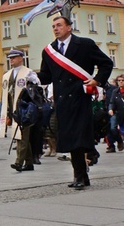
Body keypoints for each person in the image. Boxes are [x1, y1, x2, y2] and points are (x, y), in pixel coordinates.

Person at [38, 16, 113, 190]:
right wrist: (32, 76)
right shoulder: (49, 51)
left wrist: (97, 81)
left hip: (80, 97)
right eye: (54, 26)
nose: (56, 29)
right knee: (71, 138)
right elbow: (47, 76)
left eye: (59, 25)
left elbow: (106, 63)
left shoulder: (84, 44)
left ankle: (79, 175)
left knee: (79, 137)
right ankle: (82, 175)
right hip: (62, 101)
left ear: (69, 27)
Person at [107, 75, 124, 153]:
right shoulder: (115, 91)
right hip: (118, 113)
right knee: (112, 128)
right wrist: (110, 109)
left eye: (122, 80)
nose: (120, 82)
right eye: (119, 80)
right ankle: (119, 141)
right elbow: (112, 102)